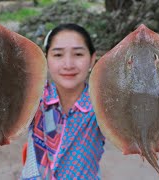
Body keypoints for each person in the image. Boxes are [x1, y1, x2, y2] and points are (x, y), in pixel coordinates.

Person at [21, 23, 105, 180]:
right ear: (45, 59)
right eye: (58, 55)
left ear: (92, 59)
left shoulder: (102, 104)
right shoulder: (33, 97)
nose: (68, 65)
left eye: (78, 54)